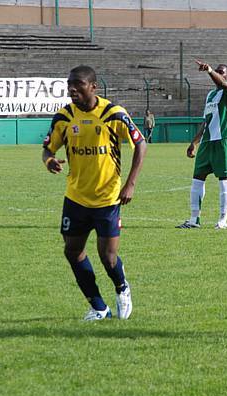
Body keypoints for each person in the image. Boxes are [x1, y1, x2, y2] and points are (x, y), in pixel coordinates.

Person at [42, 65, 147, 321]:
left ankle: (122, 288)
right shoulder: (64, 117)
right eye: (69, 84)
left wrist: (130, 183)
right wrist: (49, 161)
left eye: (78, 84)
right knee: (72, 251)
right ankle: (99, 307)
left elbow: (140, 143)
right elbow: (47, 149)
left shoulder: (113, 114)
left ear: (94, 87)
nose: (72, 89)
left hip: (107, 198)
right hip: (76, 197)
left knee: (108, 257)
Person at [176, 60, 227, 230]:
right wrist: (194, 143)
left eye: (222, 72)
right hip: (206, 144)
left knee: (224, 180)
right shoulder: (210, 95)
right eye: (217, 70)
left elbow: (223, 84)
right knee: (197, 179)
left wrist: (210, 70)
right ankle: (194, 219)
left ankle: (222, 220)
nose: (218, 73)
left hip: (223, 142)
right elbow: (206, 121)